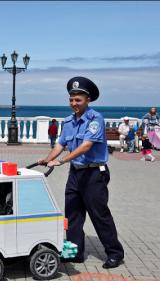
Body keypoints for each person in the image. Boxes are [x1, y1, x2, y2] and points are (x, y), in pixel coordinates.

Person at [38, 76, 124, 269]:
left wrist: (60, 161)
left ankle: (115, 253)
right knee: (73, 215)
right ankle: (75, 253)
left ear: (88, 100)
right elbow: (60, 144)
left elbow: (86, 146)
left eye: (78, 100)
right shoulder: (68, 121)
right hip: (75, 173)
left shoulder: (95, 119)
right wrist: (47, 158)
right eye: (71, 100)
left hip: (94, 174)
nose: (74, 104)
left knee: (99, 215)